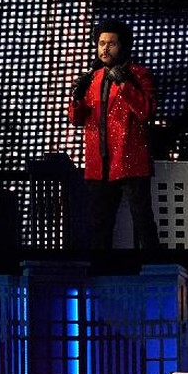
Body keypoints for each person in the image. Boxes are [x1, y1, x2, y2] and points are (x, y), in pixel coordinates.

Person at [68, 19, 160, 251]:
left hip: (129, 162)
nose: (105, 49)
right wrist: (76, 99)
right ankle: (102, 273)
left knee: (142, 222)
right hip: (99, 164)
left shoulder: (138, 75)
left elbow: (146, 111)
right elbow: (77, 119)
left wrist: (124, 85)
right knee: (100, 225)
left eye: (111, 44)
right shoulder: (92, 77)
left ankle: (152, 270)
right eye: (101, 43)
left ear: (123, 47)